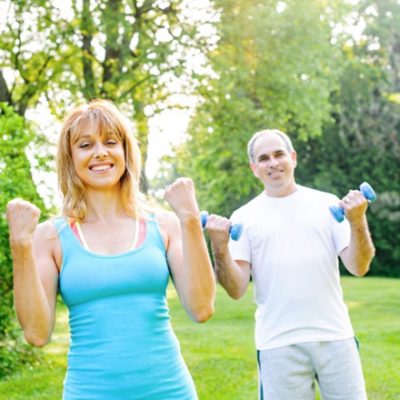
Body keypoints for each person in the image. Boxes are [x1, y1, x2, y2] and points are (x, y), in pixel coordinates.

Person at [6, 99, 215, 400]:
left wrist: (191, 221)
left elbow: (202, 308)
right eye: (85, 144)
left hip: (169, 390)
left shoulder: (165, 226)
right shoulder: (50, 237)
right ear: (70, 158)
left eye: (111, 142)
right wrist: (21, 247)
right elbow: (37, 334)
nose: (100, 152)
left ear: (125, 152)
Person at [205, 129, 375, 400]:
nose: (273, 163)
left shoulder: (327, 204)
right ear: (254, 168)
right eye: (263, 158)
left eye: (279, 154)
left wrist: (357, 220)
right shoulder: (244, 218)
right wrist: (219, 245)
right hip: (277, 344)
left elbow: (359, 266)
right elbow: (236, 289)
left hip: (335, 335)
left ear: (293, 158)